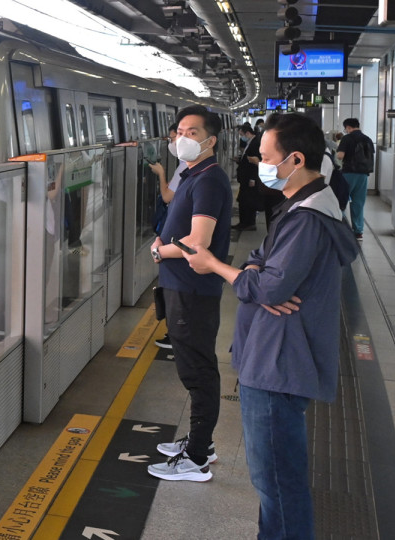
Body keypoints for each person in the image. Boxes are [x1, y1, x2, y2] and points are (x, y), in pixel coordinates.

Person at [182, 112, 359, 538]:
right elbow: (260, 263)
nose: (258, 163)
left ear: (295, 160)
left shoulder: (306, 218)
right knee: (276, 480)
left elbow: (268, 287)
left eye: (265, 156)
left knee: (276, 481)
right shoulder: (302, 206)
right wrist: (257, 277)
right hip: (278, 354)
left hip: (277, 361)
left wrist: (216, 267)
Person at [147, 105, 232, 482]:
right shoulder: (195, 174)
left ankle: (197, 457)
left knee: (197, 371)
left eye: (192, 132)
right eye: (179, 131)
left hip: (192, 289)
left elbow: (198, 243)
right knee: (194, 366)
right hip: (182, 285)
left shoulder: (209, 179)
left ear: (210, 141)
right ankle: (203, 442)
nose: (182, 138)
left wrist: (157, 250)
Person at [149, 124, 187, 351]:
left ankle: (176, 336)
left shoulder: (183, 169)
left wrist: (161, 173)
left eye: (176, 137)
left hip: (177, 239)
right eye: (173, 138)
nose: (173, 143)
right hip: (177, 238)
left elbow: (166, 197)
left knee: (176, 287)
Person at [336, 118, 375, 240]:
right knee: (358, 202)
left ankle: (341, 228)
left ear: (348, 127)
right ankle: (358, 231)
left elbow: (340, 155)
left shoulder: (347, 138)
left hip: (348, 173)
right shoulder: (367, 139)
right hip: (363, 174)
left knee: (341, 200)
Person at [233, 123, 262, 231]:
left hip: (250, 178)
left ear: (248, 133)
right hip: (246, 178)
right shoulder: (251, 142)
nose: (242, 137)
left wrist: (253, 179)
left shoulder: (256, 143)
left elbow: (255, 164)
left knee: (247, 202)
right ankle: (245, 222)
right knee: (244, 201)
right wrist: (240, 160)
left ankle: (247, 223)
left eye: (242, 135)